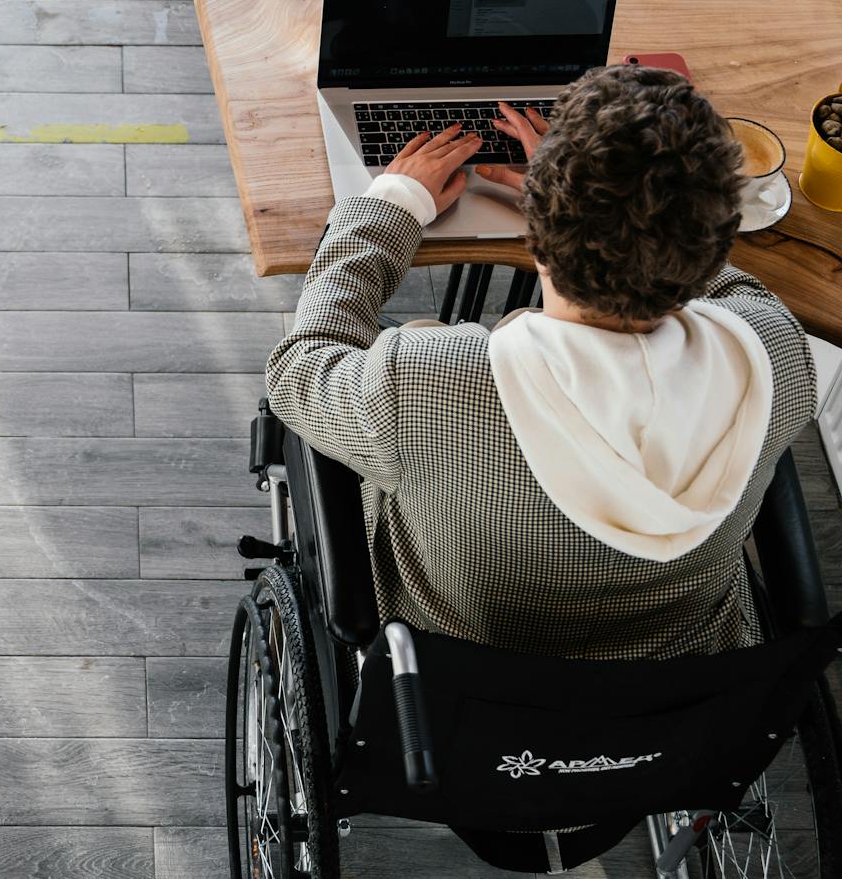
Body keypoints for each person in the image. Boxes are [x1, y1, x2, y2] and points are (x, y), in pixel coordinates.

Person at [265, 65, 818, 660]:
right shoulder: (779, 357)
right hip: (681, 696)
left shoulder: (427, 385)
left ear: (536, 234)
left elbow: (300, 366)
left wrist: (391, 207)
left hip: (455, 674)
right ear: (717, 239)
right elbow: (734, 290)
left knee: (416, 342)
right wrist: (621, 212)